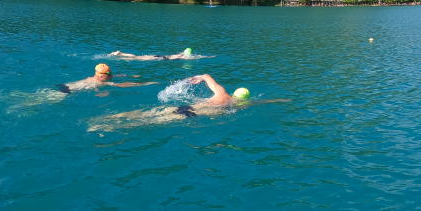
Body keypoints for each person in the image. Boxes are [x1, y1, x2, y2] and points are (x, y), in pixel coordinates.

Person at [87, 74, 289, 131]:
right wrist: (281, 99)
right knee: (147, 122)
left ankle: (107, 118)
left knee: (147, 113)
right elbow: (264, 102)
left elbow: (208, 75)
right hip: (191, 114)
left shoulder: (221, 92)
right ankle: (105, 126)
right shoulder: (236, 104)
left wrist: (199, 77)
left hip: (185, 107)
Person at [54, 63, 157, 94]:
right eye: (109, 73)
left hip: (64, 85)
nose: (111, 74)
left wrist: (128, 75)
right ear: (102, 75)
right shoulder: (102, 83)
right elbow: (121, 85)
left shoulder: (93, 77)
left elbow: (113, 76)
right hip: (65, 92)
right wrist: (143, 84)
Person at [107, 48, 210, 61]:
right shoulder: (184, 57)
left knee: (136, 57)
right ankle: (120, 53)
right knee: (137, 58)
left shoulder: (180, 54)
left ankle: (121, 53)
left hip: (161, 56)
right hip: (161, 58)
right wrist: (208, 57)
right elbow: (197, 57)